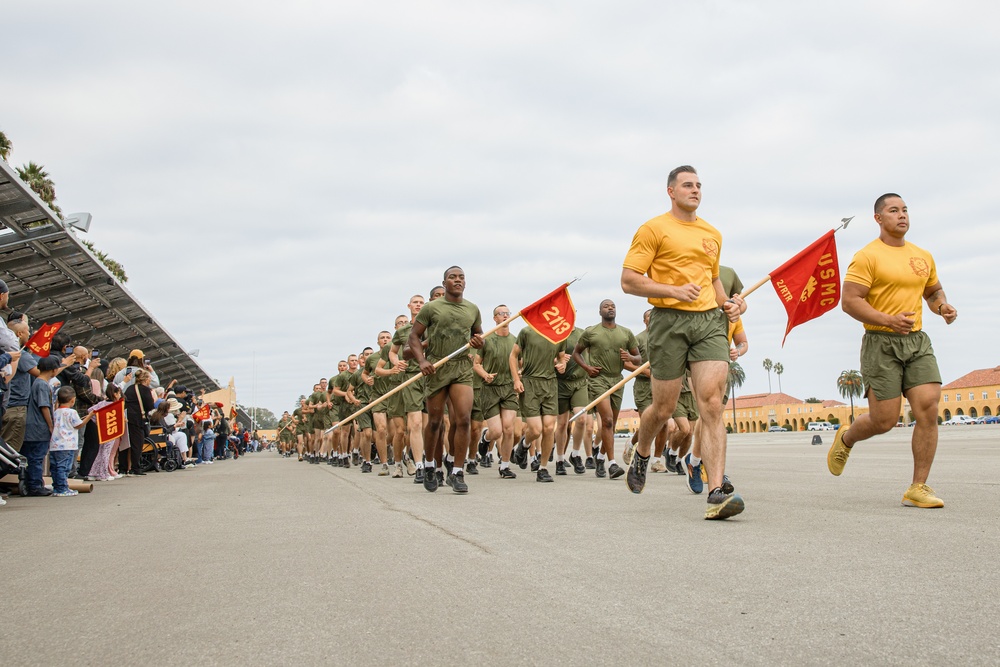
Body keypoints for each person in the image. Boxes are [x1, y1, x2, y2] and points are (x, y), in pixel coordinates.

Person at [620, 165, 745, 520]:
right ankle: (643, 450)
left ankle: (716, 490)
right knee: (663, 408)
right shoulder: (653, 229)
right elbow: (629, 280)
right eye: (687, 185)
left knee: (712, 405)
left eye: (699, 185)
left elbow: (714, 280)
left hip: (708, 322)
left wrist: (731, 304)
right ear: (671, 191)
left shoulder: (712, 234)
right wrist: (673, 290)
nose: (695, 190)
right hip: (668, 321)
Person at [827, 193, 957, 508]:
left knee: (928, 406)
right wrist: (887, 319)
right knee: (884, 420)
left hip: (916, 340)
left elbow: (932, 289)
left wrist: (942, 306)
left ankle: (918, 486)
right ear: (878, 219)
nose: (902, 215)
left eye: (905, 210)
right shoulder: (867, 256)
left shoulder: (922, 255)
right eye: (893, 210)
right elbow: (850, 301)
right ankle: (846, 438)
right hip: (880, 342)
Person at [409, 267, 484, 493]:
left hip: (461, 367)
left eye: (461, 277)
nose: (458, 280)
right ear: (445, 282)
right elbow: (414, 337)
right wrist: (422, 361)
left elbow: (479, 336)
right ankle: (431, 466)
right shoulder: (432, 308)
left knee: (463, 420)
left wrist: (479, 342)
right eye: (453, 277)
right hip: (437, 368)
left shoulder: (472, 309)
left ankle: (456, 472)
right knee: (435, 422)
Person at [572, 299, 640, 480]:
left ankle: (600, 457)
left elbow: (639, 358)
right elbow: (576, 353)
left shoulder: (626, 333)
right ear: (599, 311)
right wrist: (587, 368)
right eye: (606, 306)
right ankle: (612, 464)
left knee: (611, 423)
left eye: (613, 306)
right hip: (598, 380)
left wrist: (631, 358)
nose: (610, 308)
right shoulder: (591, 332)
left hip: (617, 380)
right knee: (607, 420)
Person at [474, 305, 519, 479]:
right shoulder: (487, 340)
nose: (506, 316)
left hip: (508, 388)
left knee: (509, 429)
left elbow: (519, 364)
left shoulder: (515, 341)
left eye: (508, 313)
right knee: (497, 431)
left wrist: (518, 376)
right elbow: (476, 364)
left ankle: (505, 466)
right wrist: (485, 375)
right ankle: (486, 437)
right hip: (490, 389)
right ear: (495, 318)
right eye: (502, 314)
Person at [21, 356, 63, 496]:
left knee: (30, 457)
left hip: (32, 426)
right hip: (39, 427)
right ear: (54, 370)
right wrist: (51, 426)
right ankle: (35, 485)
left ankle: (30, 483)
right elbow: (44, 406)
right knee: (36, 457)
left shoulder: (37, 382)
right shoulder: (43, 385)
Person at [49, 386, 94, 496]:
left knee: (56, 467)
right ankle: (62, 488)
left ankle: (57, 487)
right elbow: (79, 425)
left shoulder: (55, 412)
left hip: (55, 444)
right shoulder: (72, 412)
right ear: (73, 400)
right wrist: (89, 416)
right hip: (68, 444)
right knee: (64, 468)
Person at [124, 369, 155, 475]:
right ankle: (135, 467)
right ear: (146, 379)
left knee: (125, 445)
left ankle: (123, 467)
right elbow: (150, 406)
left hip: (127, 417)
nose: (150, 381)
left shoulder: (129, 388)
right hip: (137, 419)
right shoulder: (145, 390)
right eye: (150, 379)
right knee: (137, 444)